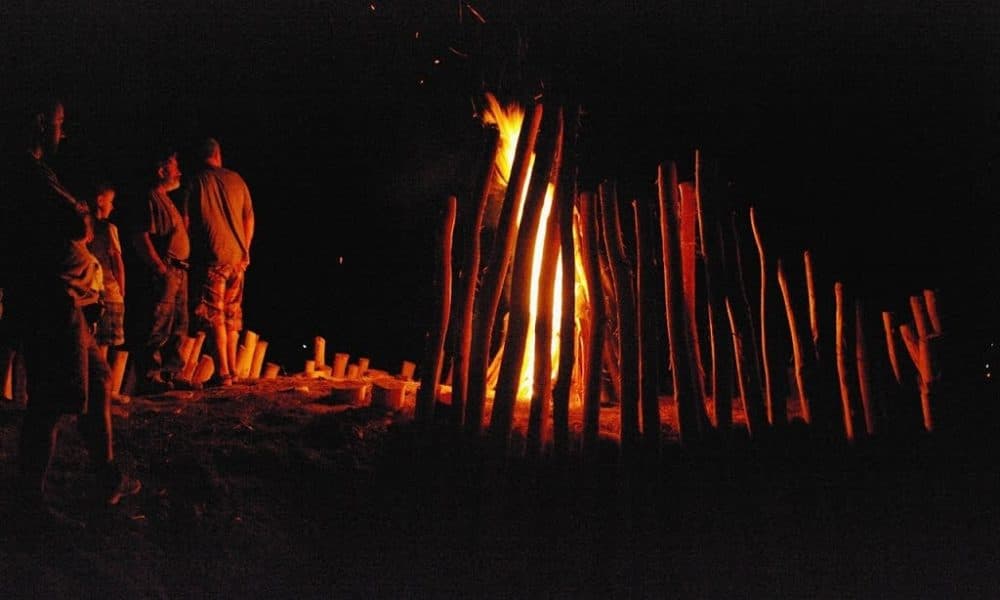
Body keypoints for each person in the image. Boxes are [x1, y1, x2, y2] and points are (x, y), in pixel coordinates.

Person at [2, 97, 140, 507]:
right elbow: (78, 225)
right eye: (60, 123)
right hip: (49, 301)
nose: (64, 132)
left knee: (98, 382)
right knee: (48, 403)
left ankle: (107, 475)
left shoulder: (39, 173)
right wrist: (79, 211)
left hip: (68, 302)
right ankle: (31, 500)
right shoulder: (28, 172)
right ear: (40, 122)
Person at [184, 138, 254, 386]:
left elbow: (187, 222)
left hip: (212, 258)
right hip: (237, 258)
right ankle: (233, 370)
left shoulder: (195, 182)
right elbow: (249, 218)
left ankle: (223, 372)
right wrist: (245, 249)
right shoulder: (237, 179)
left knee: (215, 316)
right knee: (232, 314)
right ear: (218, 155)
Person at [128, 150, 190, 393]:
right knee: (158, 325)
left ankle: (170, 374)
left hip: (180, 270)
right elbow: (140, 236)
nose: (179, 171)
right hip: (167, 269)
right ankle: (149, 378)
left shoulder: (166, 198)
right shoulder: (149, 197)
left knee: (178, 325)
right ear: (161, 170)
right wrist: (159, 267)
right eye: (174, 166)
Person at [86, 182, 127, 357]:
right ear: (100, 200)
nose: (113, 206)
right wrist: (122, 290)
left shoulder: (83, 228)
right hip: (109, 292)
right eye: (110, 201)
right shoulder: (108, 229)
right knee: (102, 348)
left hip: (88, 292)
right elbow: (117, 263)